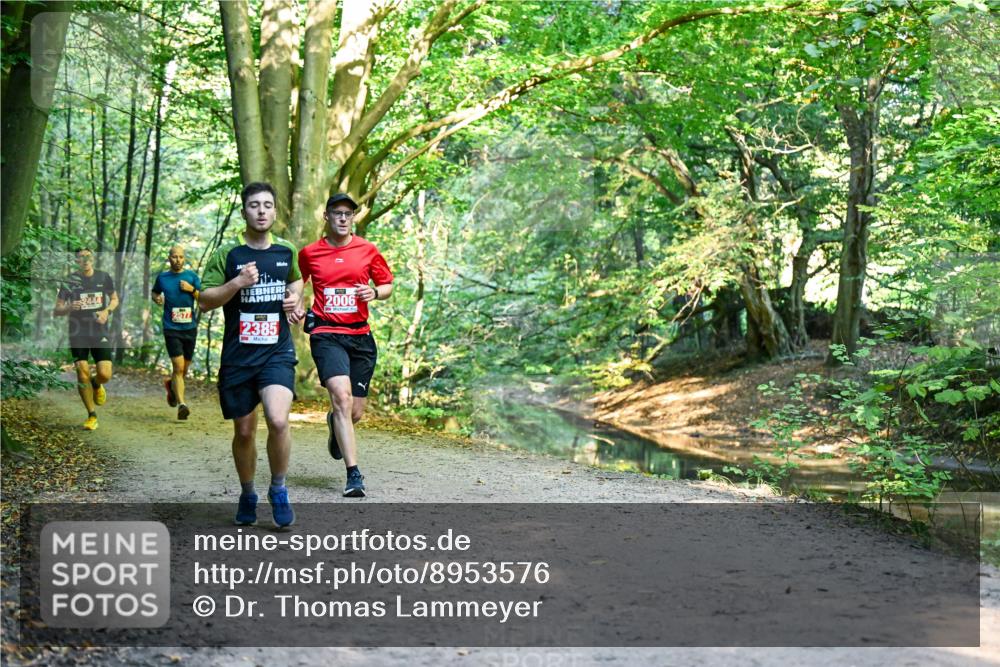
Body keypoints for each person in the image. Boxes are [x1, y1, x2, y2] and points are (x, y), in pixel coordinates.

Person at [199, 182, 304, 528]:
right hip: (238, 356)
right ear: (244, 211)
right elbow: (204, 300)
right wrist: (236, 284)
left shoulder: (287, 251)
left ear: (275, 212)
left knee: (277, 419)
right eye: (254, 205)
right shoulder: (228, 255)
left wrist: (295, 301)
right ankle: (247, 492)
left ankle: (278, 488)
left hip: (276, 351)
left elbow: (297, 283)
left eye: (268, 205)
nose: (261, 211)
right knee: (244, 431)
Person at [298, 192, 393, 498]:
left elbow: (387, 284)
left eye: (347, 214)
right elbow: (296, 282)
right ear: (326, 216)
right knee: (341, 396)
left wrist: (374, 294)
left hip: (360, 337)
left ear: (353, 218)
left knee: (354, 412)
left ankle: (335, 425)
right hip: (327, 333)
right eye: (336, 213)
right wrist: (295, 304)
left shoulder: (368, 250)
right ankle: (354, 475)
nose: (342, 218)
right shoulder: (310, 253)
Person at [53, 248, 119, 431]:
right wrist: (69, 307)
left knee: (105, 374)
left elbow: (114, 299)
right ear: (77, 261)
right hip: (78, 331)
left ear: (93, 258)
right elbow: (57, 309)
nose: (86, 260)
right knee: (82, 373)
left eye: (88, 256)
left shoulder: (103, 277)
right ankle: (91, 415)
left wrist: (107, 311)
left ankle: (97, 384)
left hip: (99, 330)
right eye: (81, 257)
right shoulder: (69, 280)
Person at [152, 245, 202, 420]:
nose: (178, 260)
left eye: (181, 257)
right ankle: (182, 404)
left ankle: (171, 387)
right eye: (174, 257)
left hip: (189, 328)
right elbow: (155, 292)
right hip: (171, 328)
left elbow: (204, 299)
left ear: (184, 258)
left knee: (183, 370)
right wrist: (157, 298)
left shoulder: (192, 277)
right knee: (178, 367)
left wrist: (192, 290)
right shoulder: (163, 278)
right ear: (169, 258)